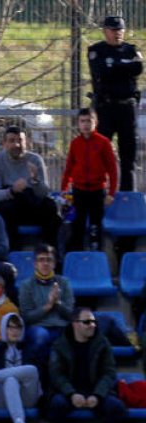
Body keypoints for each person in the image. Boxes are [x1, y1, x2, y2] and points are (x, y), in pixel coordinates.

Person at [48, 308, 127, 423]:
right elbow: (57, 374)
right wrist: (71, 393)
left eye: (94, 322)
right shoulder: (60, 344)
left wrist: (97, 395)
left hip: (95, 391)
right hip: (70, 392)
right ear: (75, 324)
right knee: (56, 405)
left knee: (117, 408)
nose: (92, 325)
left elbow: (109, 373)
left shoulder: (102, 343)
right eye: (87, 322)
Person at [0, 126, 61, 250]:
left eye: (20, 140)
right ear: (4, 143)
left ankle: (50, 253)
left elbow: (44, 193)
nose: (17, 145)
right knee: (6, 210)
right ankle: (12, 253)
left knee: (51, 207)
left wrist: (35, 181)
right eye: (12, 141)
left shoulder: (35, 160)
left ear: (27, 142)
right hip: (7, 201)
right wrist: (12, 190)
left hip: (29, 202)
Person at [88, 15, 142, 191]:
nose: (117, 33)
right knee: (100, 154)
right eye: (113, 30)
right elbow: (101, 71)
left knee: (128, 156)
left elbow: (138, 69)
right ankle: (98, 193)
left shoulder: (130, 50)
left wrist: (115, 66)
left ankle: (128, 195)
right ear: (105, 31)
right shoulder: (97, 50)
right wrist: (125, 67)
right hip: (106, 108)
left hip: (127, 107)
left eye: (120, 30)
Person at [60, 108, 118, 252]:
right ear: (78, 124)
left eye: (89, 121)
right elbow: (69, 168)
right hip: (79, 191)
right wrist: (64, 188)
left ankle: (96, 255)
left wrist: (111, 193)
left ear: (95, 122)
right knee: (77, 226)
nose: (86, 124)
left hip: (97, 192)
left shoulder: (103, 143)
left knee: (95, 227)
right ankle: (77, 255)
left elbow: (112, 170)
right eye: (82, 121)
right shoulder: (75, 143)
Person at [19, 244, 76, 364]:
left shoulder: (64, 282)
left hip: (61, 327)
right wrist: (48, 306)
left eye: (49, 260)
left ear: (54, 263)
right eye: (41, 260)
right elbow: (26, 318)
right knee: (41, 336)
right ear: (35, 264)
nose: (45, 263)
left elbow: (71, 315)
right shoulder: (26, 285)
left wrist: (58, 303)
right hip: (37, 327)